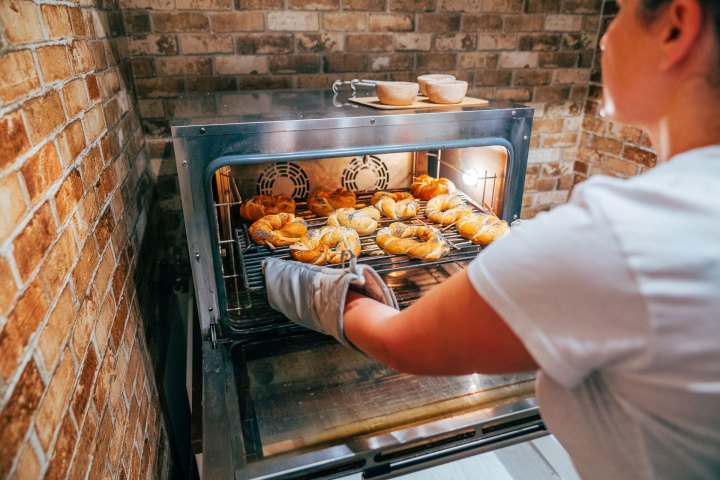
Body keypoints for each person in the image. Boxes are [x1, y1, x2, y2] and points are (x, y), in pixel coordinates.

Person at [263, 0, 720, 477]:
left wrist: (302, 283)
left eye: (621, 11)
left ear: (675, 27)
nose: (604, 38)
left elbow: (401, 344)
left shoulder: (626, 232)